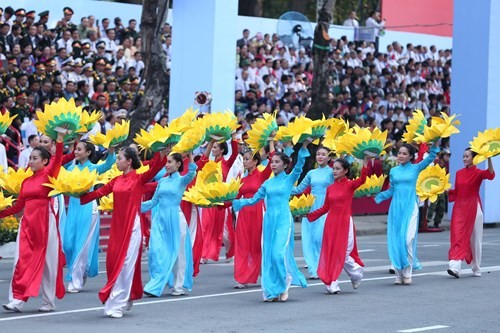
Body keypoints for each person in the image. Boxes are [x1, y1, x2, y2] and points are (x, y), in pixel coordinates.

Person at [80, 146, 168, 318]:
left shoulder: (139, 179)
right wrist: (79, 195)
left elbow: (156, 168)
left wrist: (161, 151)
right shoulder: (117, 180)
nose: (117, 161)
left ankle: (117, 303)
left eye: (120, 158)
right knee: (114, 264)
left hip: (132, 227)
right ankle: (126, 296)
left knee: (126, 264)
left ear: (129, 161)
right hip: (118, 227)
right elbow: (99, 192)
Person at [232, 139, 311, 302]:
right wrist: (237, 203)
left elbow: (298, 167)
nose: (273, 164)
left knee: (277, 254)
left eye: (277, 162)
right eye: (272, 162)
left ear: (284, 165)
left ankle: (284, 284)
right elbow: (253, 200)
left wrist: (303, 147)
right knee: (268, 256)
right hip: (268, 222)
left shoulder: (289, 179)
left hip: (283, 220)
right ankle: (273, 290)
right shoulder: (267, 183)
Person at [1, 129, 67, 313]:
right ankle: (17, 300)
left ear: (44, 161)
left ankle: (48, 301)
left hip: (46, 225)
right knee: (21, 262)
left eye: (34, 158)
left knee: (49, 265)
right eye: (30, 158)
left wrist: (60, 140)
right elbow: (17, 207)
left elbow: (59, 159)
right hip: (28, 225)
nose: (30, 162)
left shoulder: (49, 175)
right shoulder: (26, 182)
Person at [375, 141, 440, 285]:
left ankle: (407, 271)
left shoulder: (416, 168)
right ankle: (399, 274)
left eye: (404, 154)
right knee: (397, 241)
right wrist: (379, 196)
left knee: (408, 239)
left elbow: (430, 158)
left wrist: (435, 142)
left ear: (411, 156)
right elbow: (392, 190)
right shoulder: (393, 171)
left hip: (411, 207)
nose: (401, 156)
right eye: (399, 153)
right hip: (396, 208)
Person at [307, 158, 368, 294]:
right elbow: (325, 207)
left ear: (345, 171)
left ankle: (356, 274)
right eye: (333, 168)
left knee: (344, 253)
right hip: (331, 223)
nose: (334, 171)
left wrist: (365, 163)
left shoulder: (350, 185)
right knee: (331, 253)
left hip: (345, 222)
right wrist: (310, 215)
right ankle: (332, 283)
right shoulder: (330, 188)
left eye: (338, 168)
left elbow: (363, 180)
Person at [141, 152, 197, 297]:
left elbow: (192, 172)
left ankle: (178, 286)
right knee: (156, 251)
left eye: (170, 162)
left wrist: (190, 155)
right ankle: (155, 283)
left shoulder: (181, 181)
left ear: (178, 164)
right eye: (166, 162)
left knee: (179, 254)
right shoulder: (162, 181)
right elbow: (153, 202)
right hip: (160, 219)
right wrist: (134, 206)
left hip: (176, 219)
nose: (166, 165)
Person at [63, 141, 116, 293]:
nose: (76, 152)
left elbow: (107, 165)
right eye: (76, 149)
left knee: (81, 244)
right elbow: (58, 170)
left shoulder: (92, 168)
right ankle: (83, 269)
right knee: (67, 244)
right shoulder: (71, 167)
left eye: (79, 150)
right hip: (73, 208)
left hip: (88, 208)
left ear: (88, 153)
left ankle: (76, 281)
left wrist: (111, 150)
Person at [232, 139, 274, 289]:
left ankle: (262, 271)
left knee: (258, 245)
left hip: (258, 212)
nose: (244, 161)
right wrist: (216, 203)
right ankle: (242, 277)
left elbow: (271, 162)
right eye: (244, 159)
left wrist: (271, 142)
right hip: (243, 214)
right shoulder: (241, 179)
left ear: (255, 161)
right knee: (242, 245)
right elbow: (234, 198)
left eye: (247, 159)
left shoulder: (262, 176)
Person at [447, 149, 495, 278]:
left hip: (474, 207)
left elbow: (490, 175)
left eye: (467, 156)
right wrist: (446, 191)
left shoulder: (478, 173)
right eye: (463, 156)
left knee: (475, 240)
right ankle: (455, 266)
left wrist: (489, 158)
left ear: (474, 158)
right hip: (459, 208)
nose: (464, 159)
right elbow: (457, 192)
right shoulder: (459, 173)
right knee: (457, 236)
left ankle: (476, 267)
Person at [291, 146, 333, 279]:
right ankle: (314, 269)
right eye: (318, 154)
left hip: (326, 206)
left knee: (319, 238)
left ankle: (324, 266)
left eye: (323, 154)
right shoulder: (311, 173)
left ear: (329, 157)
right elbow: (298, 189)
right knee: (309, 238)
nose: (320, 157)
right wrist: (284, 187)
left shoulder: (333, 172)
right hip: (311, 206)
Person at [200, 135, 239, 263]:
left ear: (222, 150)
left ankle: (231, 250)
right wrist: (210, 142)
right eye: (213, 147)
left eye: (215, 147)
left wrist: (234, 139)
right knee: (206, 226)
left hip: (220, 200)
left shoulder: (225, 163)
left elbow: (234, 155)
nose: (213, 150)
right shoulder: (210, 164)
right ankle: (205, 255)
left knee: (223, 231)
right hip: (208, 199)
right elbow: (203, 160)